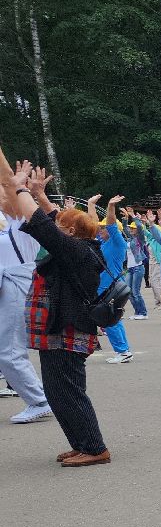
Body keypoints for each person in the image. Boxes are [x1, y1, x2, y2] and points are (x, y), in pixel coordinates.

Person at [1, 152, 110, 464]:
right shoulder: (79, 246)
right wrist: (38, 195)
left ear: (71, 233)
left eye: (62, 226)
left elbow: (41, 224)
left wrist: (19, 188)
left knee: (68, 391)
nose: (56, 226)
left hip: (68, 328)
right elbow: (52, 219)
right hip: (59, 328)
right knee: (58, 390)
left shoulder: (76, 251)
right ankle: (81, 443)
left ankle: (94, 448)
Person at [0, 182, 51, 424]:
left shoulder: (21, 222)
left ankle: (38, 400)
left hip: (16, 286)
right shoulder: (7, 222)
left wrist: (13, 179)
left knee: (9, 352)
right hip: (7, 286)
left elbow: (11, 191)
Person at [94, 196, 135, 364]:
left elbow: (111, 224)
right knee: (111, 320)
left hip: (109, 287)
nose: (101, 229)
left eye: (103, 228)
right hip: (103, 287)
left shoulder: (117, 242)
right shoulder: (102, 243)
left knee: (109, 319)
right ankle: (123, 349)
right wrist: (90, 205)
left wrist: (110, 206)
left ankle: (123, 351)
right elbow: (92, 225)